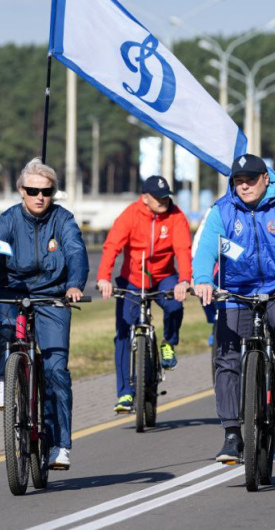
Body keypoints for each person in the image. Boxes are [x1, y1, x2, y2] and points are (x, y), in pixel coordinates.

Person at [0, 158, 87, 471]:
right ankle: (3, 377)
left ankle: (60, 446)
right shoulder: (9, 220)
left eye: (47, 191)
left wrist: (74, 286)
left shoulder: (63, 220)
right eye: (32, 190)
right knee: (6, 331)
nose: (40, 196)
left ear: (53, 193)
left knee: (55, 371)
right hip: (10, 293)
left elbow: (76, 253)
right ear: (21, 191)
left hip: (52, 296)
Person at [193, 154, 275, 464]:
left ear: (266, 178)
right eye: (238, 181)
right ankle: (231, 434)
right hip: (236, 288)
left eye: (251, 180)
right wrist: (202, 279)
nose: (244, 186)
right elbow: (205, 251)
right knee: (225, 358)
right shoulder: (222, 211)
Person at [97, 175, 192, 413]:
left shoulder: (176, 216)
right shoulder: (131, 214)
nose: (164, 201)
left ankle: (169, 342)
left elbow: (183, 249)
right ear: (145, 198)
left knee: (175, 305)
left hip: (163, 277)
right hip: (133, 279)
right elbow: (112, 246)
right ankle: (125, 394)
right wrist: (103, 278)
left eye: (166, 196)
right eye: (158, 198)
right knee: (123, 333)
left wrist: (184, 280)